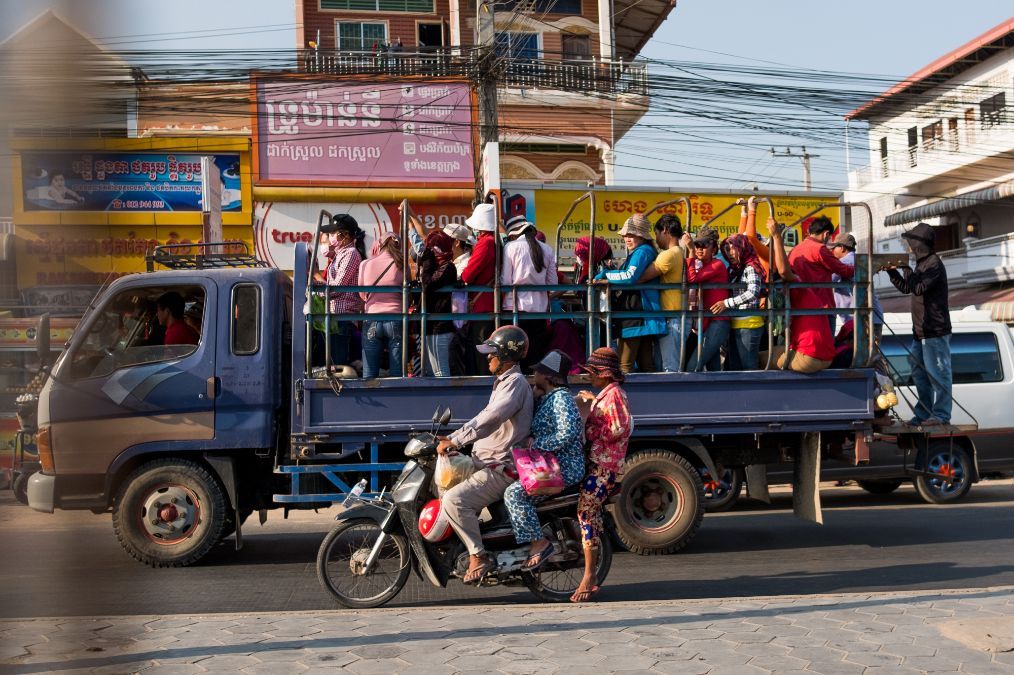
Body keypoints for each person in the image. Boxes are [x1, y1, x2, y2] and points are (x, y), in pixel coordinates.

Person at [436, 326, 534, 584]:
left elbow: (491, 419)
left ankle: (478, 555)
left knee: (454, 501)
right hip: (486, 462)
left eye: (492, 353)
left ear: (506, 355)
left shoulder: (514, 384)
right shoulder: (504, 382)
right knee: (445, 486)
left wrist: (456, 439)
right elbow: (484, 419)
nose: (487, 357)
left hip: (501, 468)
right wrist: (453, 439)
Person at [503, 350, 585, 571]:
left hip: (564, 467)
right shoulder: (547, 398)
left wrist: (536, 444)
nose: (534, 375)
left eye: (538, 372)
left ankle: (539, 543)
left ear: (549, 376)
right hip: (546, 464)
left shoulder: (561, 399)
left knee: (514, 494)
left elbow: (567, 432)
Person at [572, 347, 633, 602]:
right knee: (588, 513)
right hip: (598, 464)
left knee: (585, 513)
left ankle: (589, 575)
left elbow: (619, 428)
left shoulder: (614, 395)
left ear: (604, 374)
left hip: (605, 467)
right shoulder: (607, 394)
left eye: (593, 373)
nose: (589, 376)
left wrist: (591, 432)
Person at [884, 222, 952, 426]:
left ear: (919, 244)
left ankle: (941, 416)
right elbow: (908, 287)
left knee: (938, 374)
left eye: (910, 243)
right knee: (920, 374)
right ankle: (923, 414)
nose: (908, 246)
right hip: (920, 331)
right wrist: (892, 272)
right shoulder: (921, 264)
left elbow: (919, 287)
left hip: (935, 331)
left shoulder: (934, 264)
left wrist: (905, 268)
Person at [596, 214, 665, 373]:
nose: (627, 238)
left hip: (636, 315)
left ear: (642, 236)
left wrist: (606, 275)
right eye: (625, 235)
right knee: (646, 366)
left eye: (631, 235)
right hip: (641, 315)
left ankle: (619, 390)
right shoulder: (642, 251)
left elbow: (629, 276)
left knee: (624, 366)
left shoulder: (642, 252)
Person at [765, 218, 834, 373]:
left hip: (809, 357)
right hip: (825, 356)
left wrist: (776, 236)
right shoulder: (803, 295)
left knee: (762, 360)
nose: (779, 291)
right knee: (772, 351)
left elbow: (784, 271)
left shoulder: (798, 288)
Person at [502, 215, 556, 367]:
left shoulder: (510, 247)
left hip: (515, 308)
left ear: (513, 234)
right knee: (535, 354)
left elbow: (505, 281)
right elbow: (553, 283)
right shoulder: (547, 249)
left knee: (515, 355)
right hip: (539, 310)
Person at [637, 214, 687, 372]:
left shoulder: (669, 254)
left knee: (669, 368)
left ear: (665, 230)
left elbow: (640, 277)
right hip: (673, 317)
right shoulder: (680, 252)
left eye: (657, 233)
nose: (656, 239)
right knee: (663, 367)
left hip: (672, 317)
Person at [787, 215, 854, 334]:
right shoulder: (819, 249)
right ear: (826, 234)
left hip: (798, 308)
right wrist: (864, 266)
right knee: (827, 344)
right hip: (822, 307)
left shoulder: (794, 250)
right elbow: (844, 270)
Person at [321, 213, 365, 367]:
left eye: (332, 233)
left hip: (342, 317)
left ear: (344, 235)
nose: (330, 237)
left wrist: (317, 293)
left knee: (338, 365)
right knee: (333, 363)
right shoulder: (340, 254)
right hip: (335, 316)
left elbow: (338, 288)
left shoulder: (350, 254)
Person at [716, 234, 766, 370]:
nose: (730, 253)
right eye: (727, 249)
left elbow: (753, 292)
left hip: (749, 324)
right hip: (736, 323)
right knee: (735, 367)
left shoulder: (751, 268)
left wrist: (726, 303)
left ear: (742, 248)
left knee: (748, 368)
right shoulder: (734, 270)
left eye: (734, 248)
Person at [358, 232, 404, 378]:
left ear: (379, 245)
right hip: (396, 319)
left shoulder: (365, 264)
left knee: (369, 374)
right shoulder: (402, 264)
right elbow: (407, 294)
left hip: (372, 318)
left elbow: (362, 295)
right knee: (397, 374)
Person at [685, 226, 730, 372]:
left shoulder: (717, 264)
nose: (700, 248)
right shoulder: (706, 265)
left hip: (718, 322)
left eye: (704, 245)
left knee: (693, 367)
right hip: (710, 323)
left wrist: (690, 251)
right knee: (713, 368)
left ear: (714, 248)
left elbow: (692, 279)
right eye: (697, 244)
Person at [460, 203, 498, 375]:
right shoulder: (493, 241)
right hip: (487, 302)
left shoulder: (486, 243)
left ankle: (483, 381)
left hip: (482, 304)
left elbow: (468, 275)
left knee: (481, 348)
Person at [830, 232, 885, 341]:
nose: (832, 251)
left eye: (834, 248)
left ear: (842, 248)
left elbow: (827, 279)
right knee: (871, 351)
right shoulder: (859, 260)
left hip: (862, 320)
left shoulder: (845, 262)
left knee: (860, 351)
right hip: (871, 318)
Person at [417, 231, 458, 377]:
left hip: (440, 327)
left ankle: (446, 393)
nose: (430, 253)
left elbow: (427, 284)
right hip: (431, 325)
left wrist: (427, 262)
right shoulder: (437, 267)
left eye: (431, 249)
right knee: (429, 372)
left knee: (440, 371)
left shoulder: (447, 267)